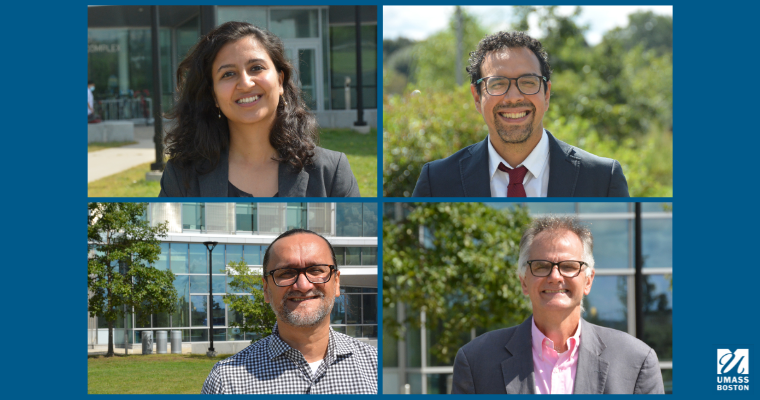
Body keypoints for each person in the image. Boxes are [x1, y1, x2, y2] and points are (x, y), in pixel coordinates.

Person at [452, 216, 663, 394]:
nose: (555, 276)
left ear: (588, 281)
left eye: (569, 266)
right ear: (524, 282)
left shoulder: (636, 361)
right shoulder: (476, 361)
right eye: (541, 266)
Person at [412, 32, 629, 197]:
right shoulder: (437, 181)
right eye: (497, 84)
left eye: (528, 82)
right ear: (477, 97)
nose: (513, 97)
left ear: (547, 94)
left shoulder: (602, 179)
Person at [160, 22, 360, 197]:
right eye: (228, 74)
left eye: (256, 68)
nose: (245, 83)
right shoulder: (181, 177)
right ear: (214, 96)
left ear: (280, 81)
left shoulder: (331, 172)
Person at [201, 229, 377, 394]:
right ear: (266, 289)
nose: (303, 285)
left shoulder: (376, 367)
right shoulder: (226, 381)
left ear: (336, 283)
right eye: (286, 273)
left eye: (316, 270)